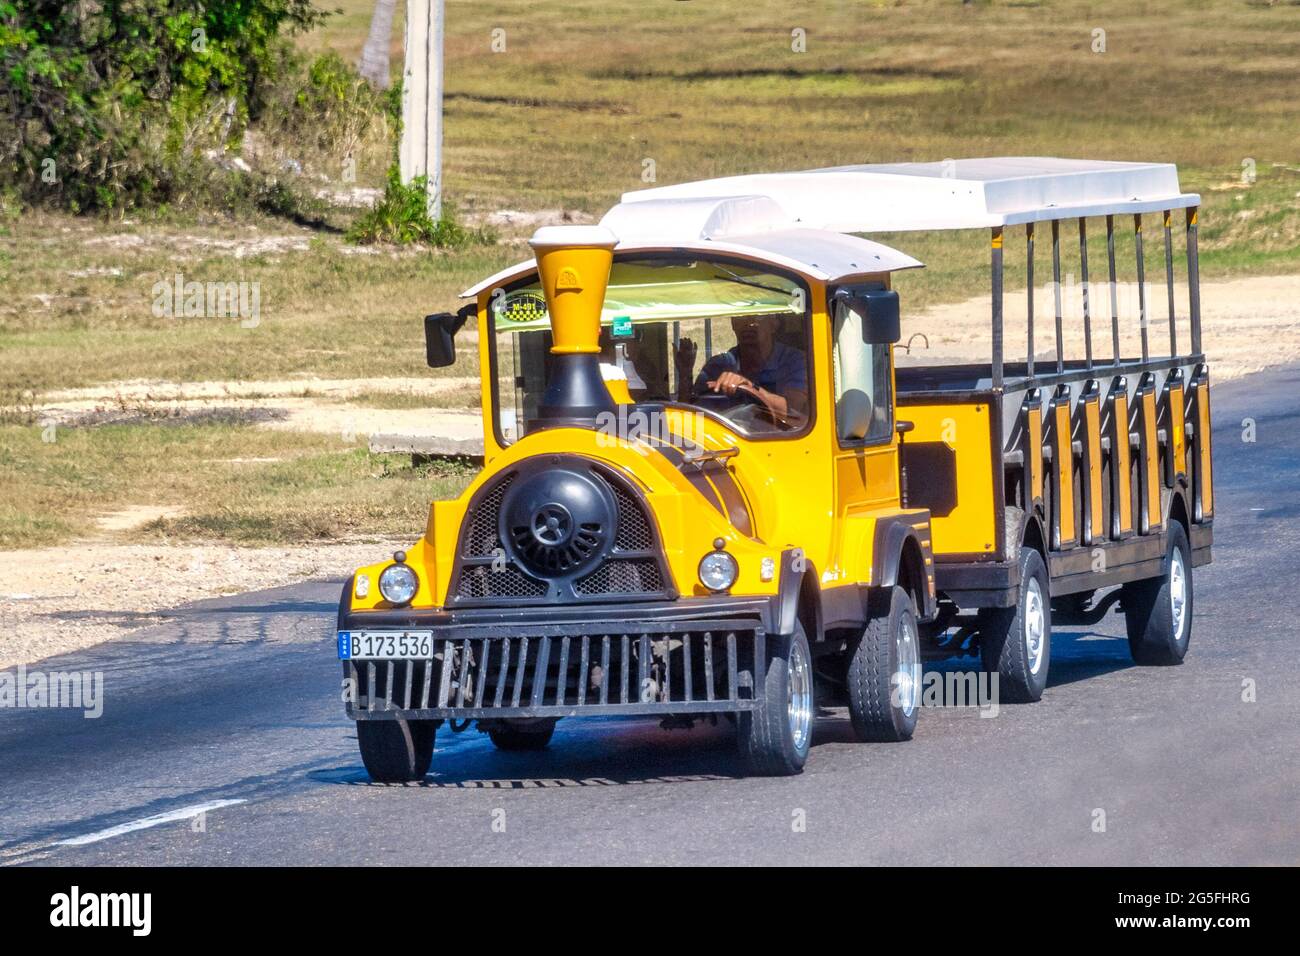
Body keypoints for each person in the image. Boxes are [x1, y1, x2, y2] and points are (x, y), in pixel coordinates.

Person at [674, 315, 808, 424]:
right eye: (740, 317)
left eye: (757, 316)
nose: (748, 323)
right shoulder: (718, 366)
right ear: (733, 324)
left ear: (774, 324)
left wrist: (750, 387)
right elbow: (690, 418)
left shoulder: (794, 360)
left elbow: (792, 412)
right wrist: (685, 375)